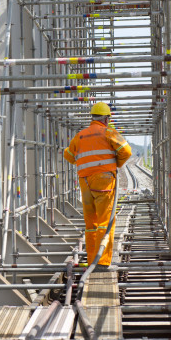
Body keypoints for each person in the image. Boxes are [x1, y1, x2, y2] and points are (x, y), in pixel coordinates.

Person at [63, 102, 132, 267]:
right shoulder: (109, 132)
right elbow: (127, 151)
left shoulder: (80, 135)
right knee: (105, 221)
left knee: (91, 223)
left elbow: (69, 155)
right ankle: (102, 261)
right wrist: (116, 164)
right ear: (107, 119)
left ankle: (92, 259)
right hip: (104, 181)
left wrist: (86, 162)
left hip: (85, 181)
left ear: (92, 117)